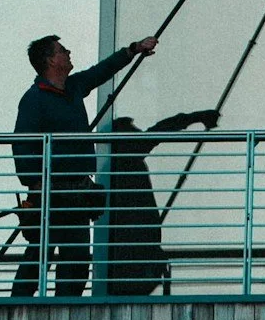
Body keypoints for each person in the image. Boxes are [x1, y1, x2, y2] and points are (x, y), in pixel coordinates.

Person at [11, 32, 156, 298]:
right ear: (51, 61)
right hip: (51, 190)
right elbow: (22, 143)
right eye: (62, 50)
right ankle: (19, 303)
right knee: (40, 253)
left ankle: (66, 306)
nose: (68, 53)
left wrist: (133, 49)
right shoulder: (35, 99)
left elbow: (101, 71)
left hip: (75, 191)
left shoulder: (72, 88)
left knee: (76, 258)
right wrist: (35, 181)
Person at [97, 109, 220, 297]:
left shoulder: (119, 166)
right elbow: (158, 130)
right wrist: (196, 117)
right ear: (124, 140)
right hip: (132, 253)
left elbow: (157, 132)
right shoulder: (125, 164)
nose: (139, 132)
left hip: (134, 252)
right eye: (133, 130)